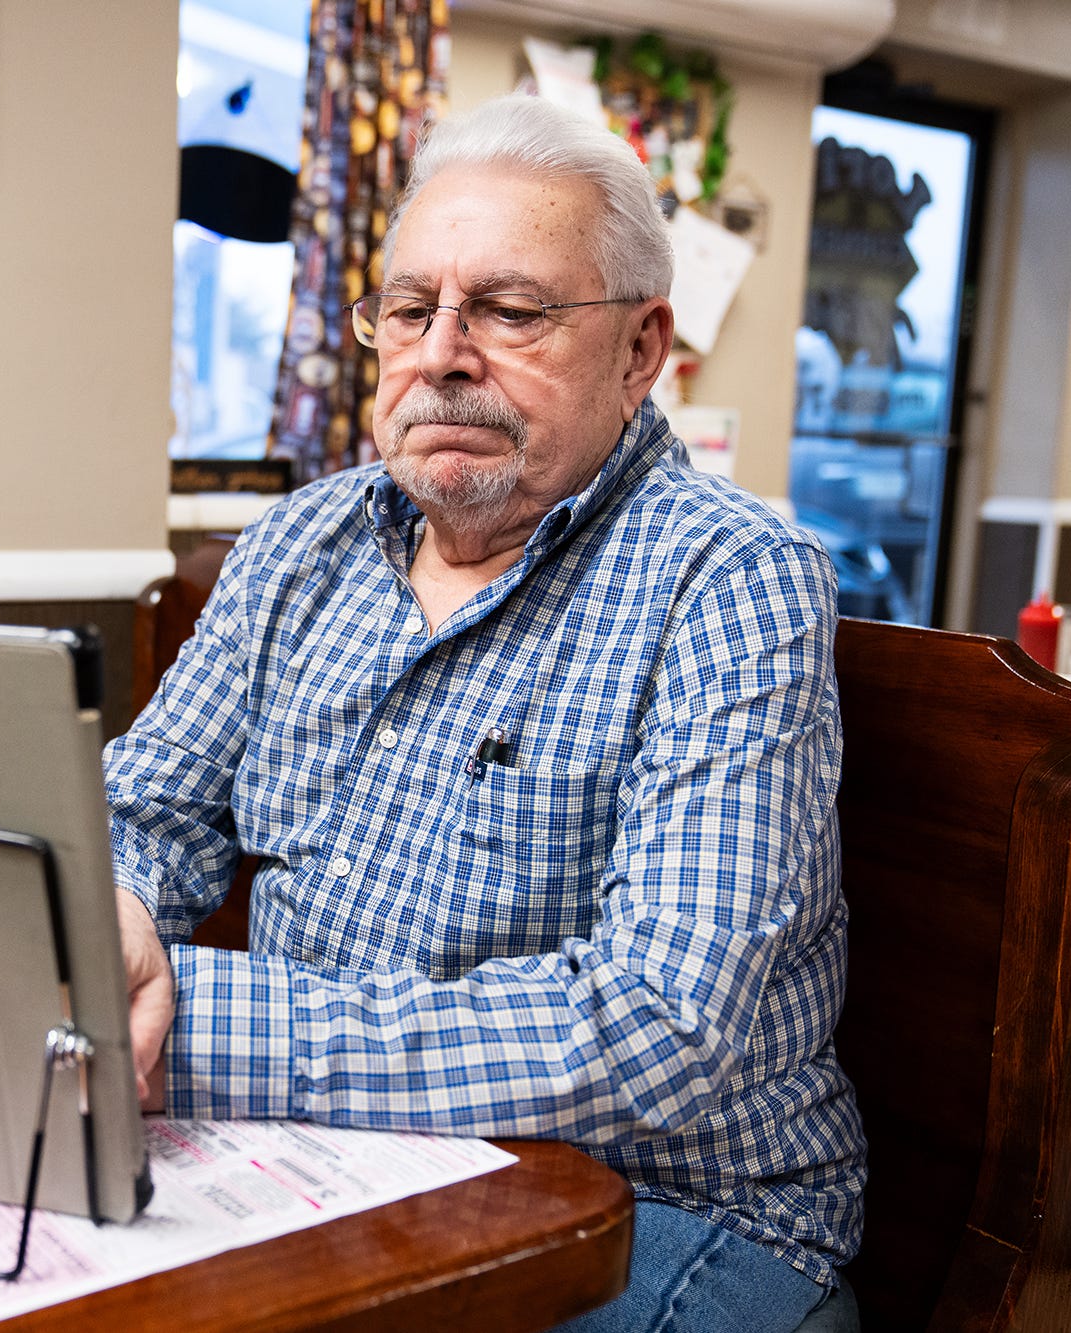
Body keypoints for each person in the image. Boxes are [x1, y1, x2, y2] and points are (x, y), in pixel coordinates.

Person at [105, 92, 863, 1332]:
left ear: (639, 348)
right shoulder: (301, 542)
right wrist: (115, 917)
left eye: (511, 312)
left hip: (671, 1209)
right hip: (345, 1162)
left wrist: (179, 1016)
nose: (441, 353)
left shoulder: (729, 577)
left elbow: (658, 1025)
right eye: (409, 310)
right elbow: (149, 805)